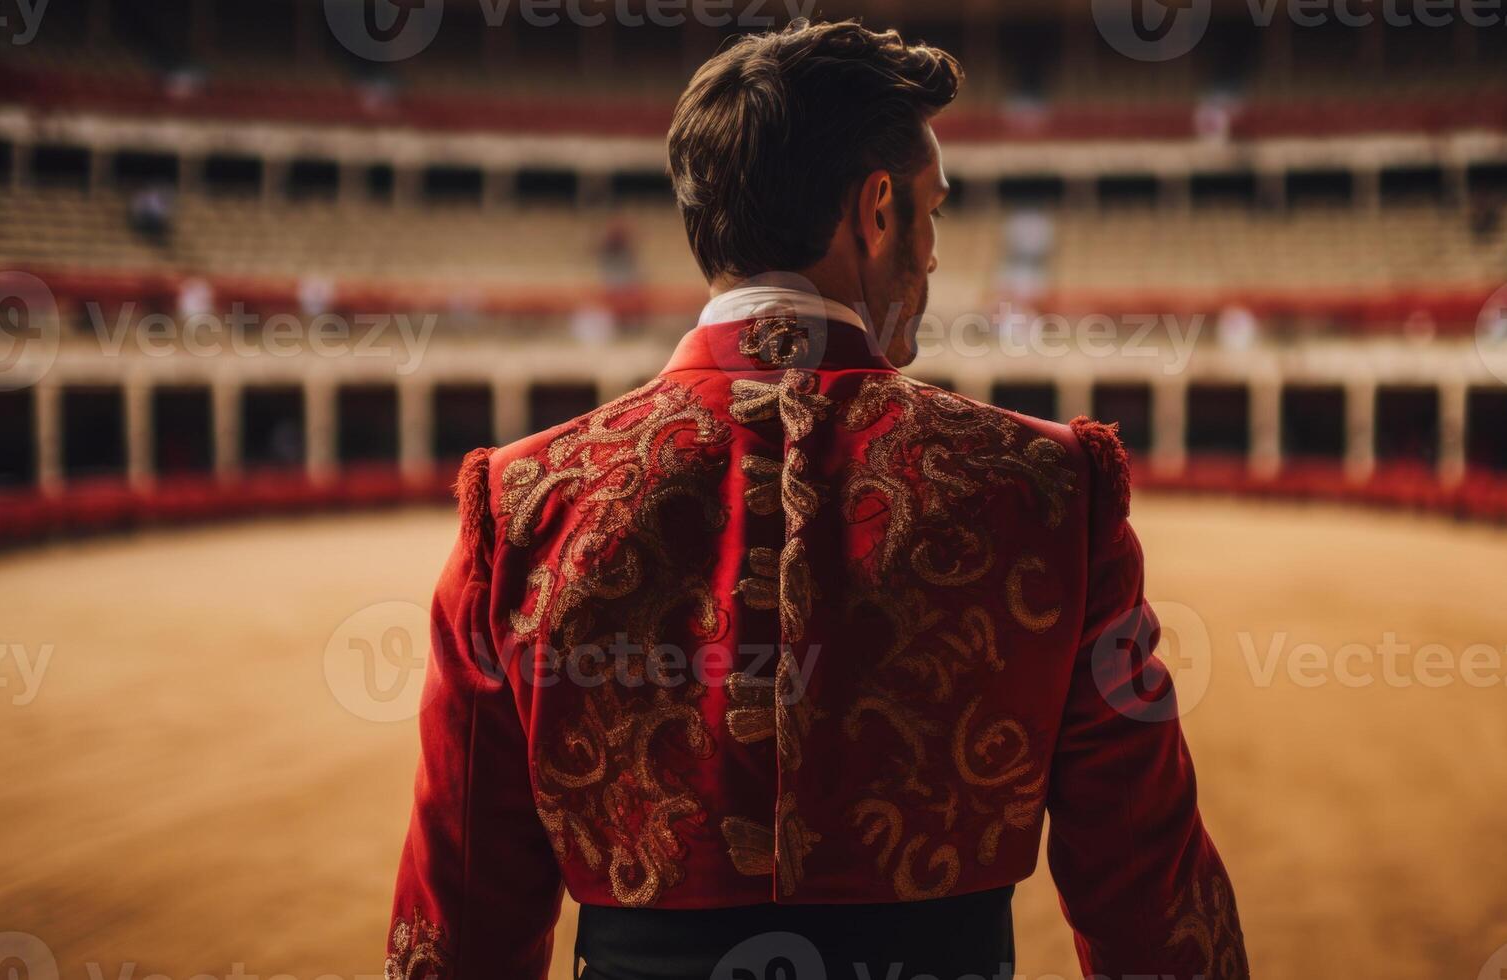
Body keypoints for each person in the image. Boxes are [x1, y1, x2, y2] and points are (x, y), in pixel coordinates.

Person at [384, 21, 1246, 980]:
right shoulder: (1045, 488)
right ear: (877, 213)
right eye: (934, 216)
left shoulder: (523, 505)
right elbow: (1153, 905)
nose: (932, 256)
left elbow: (456, 926)